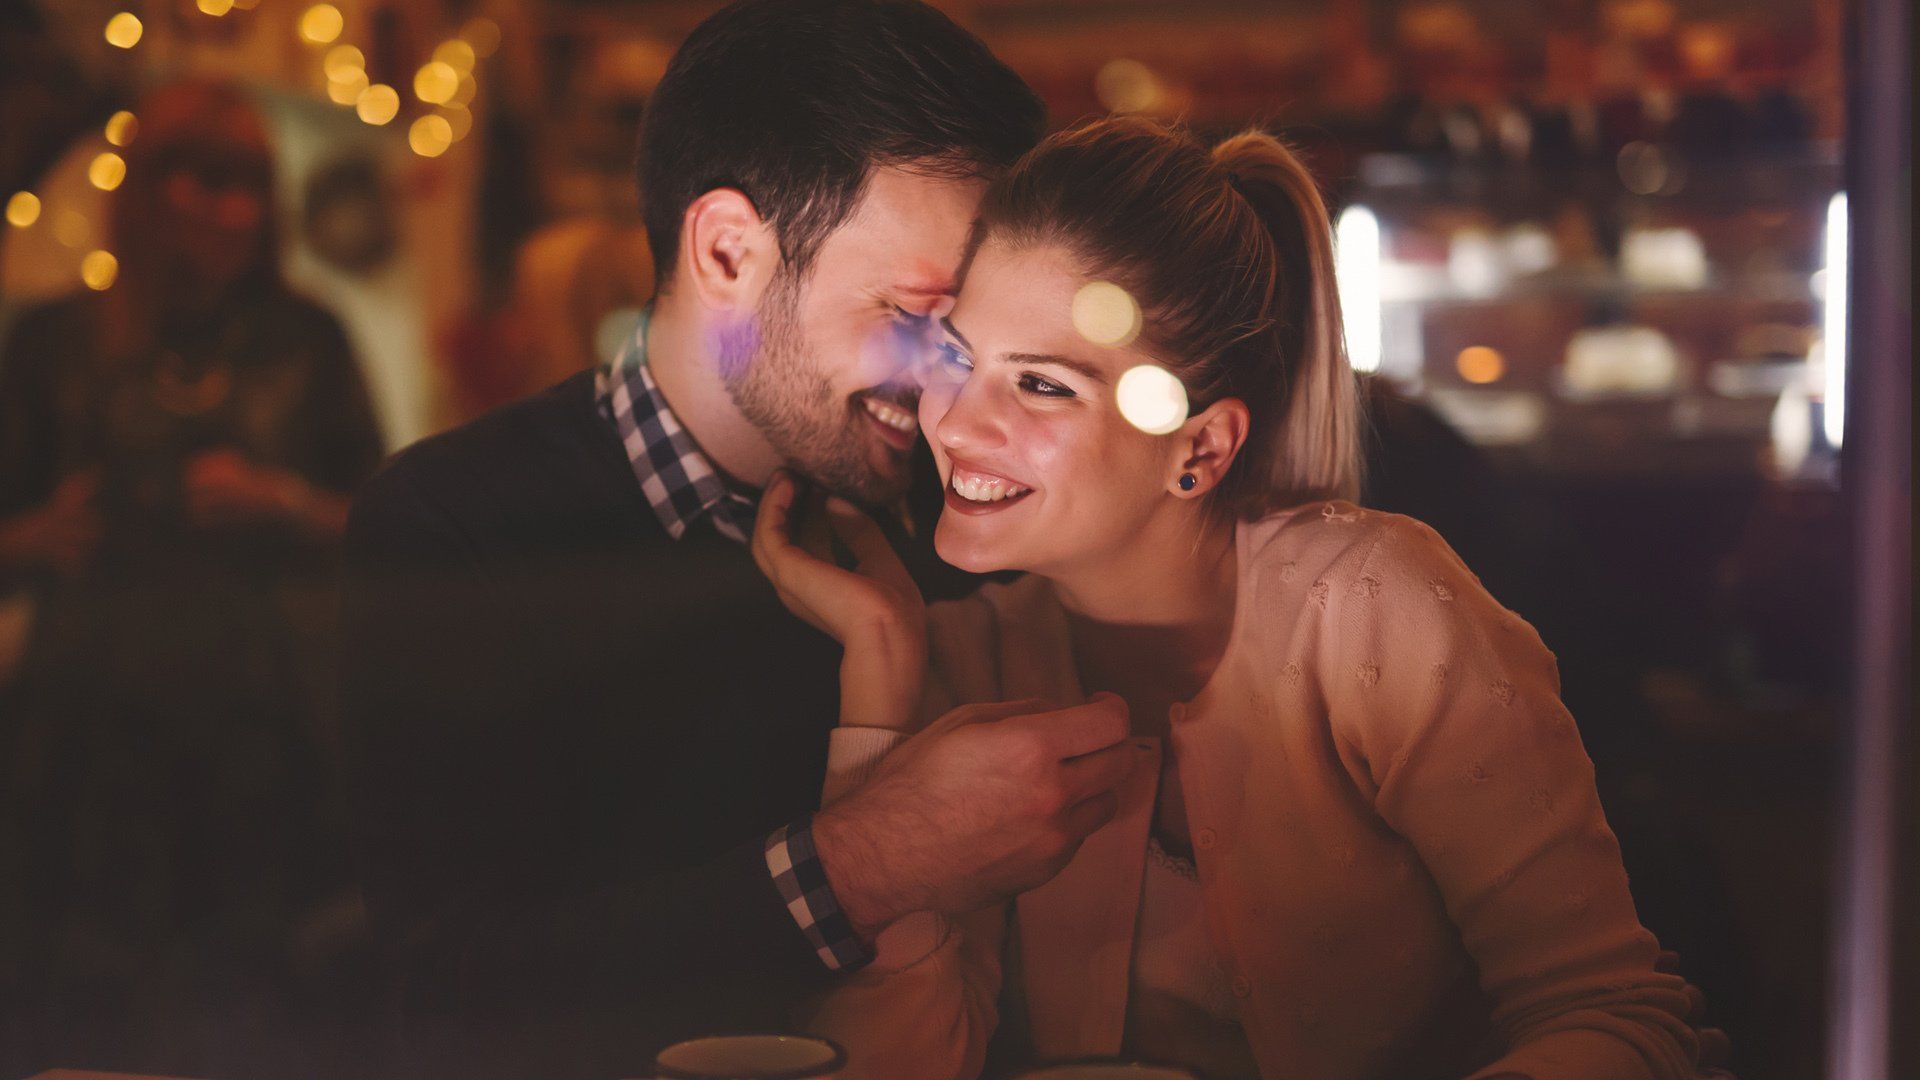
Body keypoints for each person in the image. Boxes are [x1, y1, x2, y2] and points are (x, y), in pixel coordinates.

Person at [753, 116, 1708, 1079]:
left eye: (1042, 385)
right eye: (955, 359)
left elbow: (1616, 1015)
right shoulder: (962, 663)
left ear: (1200, 449)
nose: (954, 424)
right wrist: (878, 681)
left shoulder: (1376, 613)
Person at [339, 2, 1136, 1075]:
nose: (954, 387)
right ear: (727, 252)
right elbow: (438, 999)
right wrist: (864, 865)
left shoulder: (960, 532)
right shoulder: (456, 526)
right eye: (915, 317)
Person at [0, 80, 382, 1073]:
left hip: (261, 708)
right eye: (205, 182)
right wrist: (34, 536)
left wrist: (283, 503)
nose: (233, 212)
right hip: (92, 714)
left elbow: (389, 526)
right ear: (147, 192)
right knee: (93, 979)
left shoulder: (307, 338)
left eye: (249, 186)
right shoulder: (54, 344)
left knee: (254, 978)